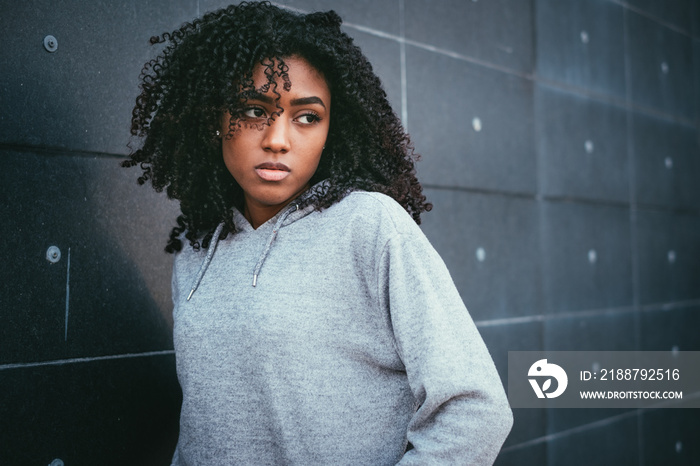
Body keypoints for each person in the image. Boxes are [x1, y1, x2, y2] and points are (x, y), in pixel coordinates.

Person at [124, 2, 513, 464]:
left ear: (332, 130)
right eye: (253, 109)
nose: (278, 139)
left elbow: (475, 409)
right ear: (216, 120)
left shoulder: (369, 225)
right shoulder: (198, 247)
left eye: (307, 116)